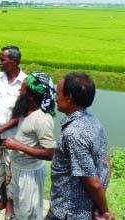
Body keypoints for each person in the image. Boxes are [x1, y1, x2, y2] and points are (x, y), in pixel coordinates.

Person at [46, 72, 114, 220]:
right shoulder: (94, 122)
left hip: (68, 212)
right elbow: (106, 162)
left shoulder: (73, 134)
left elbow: (93, 183)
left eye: (58, 94)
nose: (55, 98)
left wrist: (105, 211)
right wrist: (98, 206)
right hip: (83, 210)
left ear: (69, 98)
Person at [3, 72, 56, 220]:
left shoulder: (42, 120)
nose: (19, 91)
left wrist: (18, 146)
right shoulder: (25, 111)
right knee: (19, 209)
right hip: (17, 168)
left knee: (30, 213)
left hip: (30, 174)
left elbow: (49, 154)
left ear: (32, 96)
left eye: (22, 89)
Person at [0, 45, 27, 218]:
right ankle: (1, 198)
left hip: (13, 138)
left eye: (3, 60)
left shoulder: (25, 82)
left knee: (11, 172)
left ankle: (10, 204)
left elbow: (22, 113)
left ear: (14, 61)